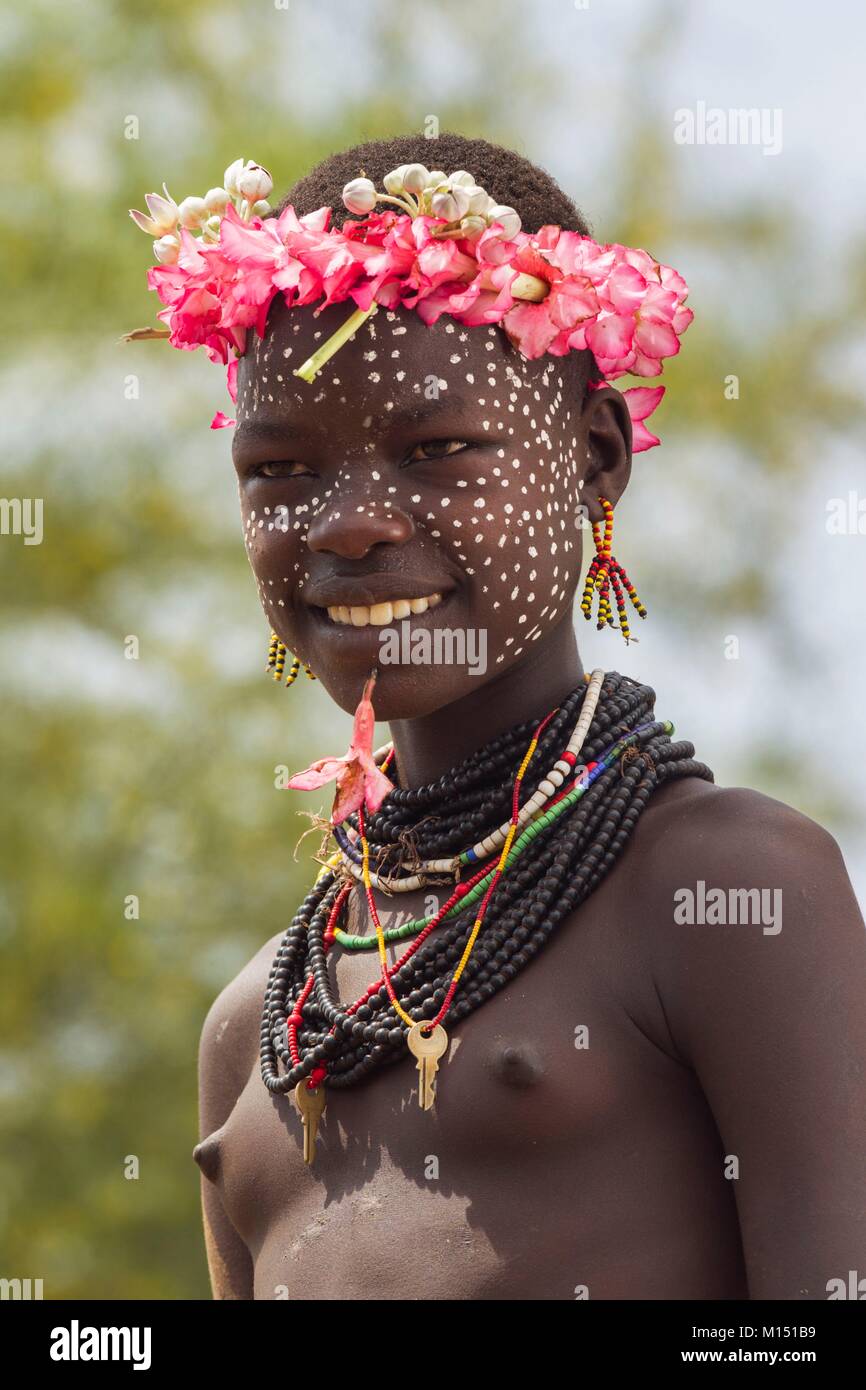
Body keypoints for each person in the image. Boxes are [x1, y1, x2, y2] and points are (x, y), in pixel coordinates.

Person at [131, 133, 866, 1300]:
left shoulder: (727, 886)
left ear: (593, 458)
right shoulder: (257, 1026)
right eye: (276, 470)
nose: (347, 524)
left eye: (436, 450)